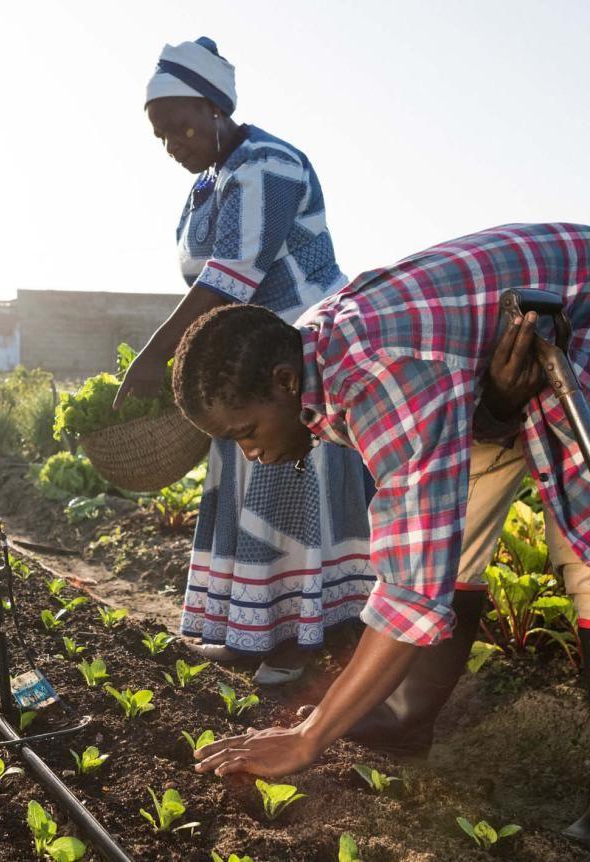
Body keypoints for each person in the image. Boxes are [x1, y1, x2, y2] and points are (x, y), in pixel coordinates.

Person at [170, 221, 590, 846]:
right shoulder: (305, 353)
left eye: (245, 433)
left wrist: (310, 737)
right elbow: (428, 538)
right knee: (459, 528)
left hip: (574, 332)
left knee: (583, 558)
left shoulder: (383, 377)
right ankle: (401, 720)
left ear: (285, 384)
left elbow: (410, 590)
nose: (251, 453)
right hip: (489, 376)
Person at [115, 36, 376, 685]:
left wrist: (153, 360)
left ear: (214, 108)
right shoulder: (210, 183)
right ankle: (251, 633)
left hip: (300, 353)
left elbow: (229, 277)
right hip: (242, 360)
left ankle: (300, 641)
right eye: (161, 135)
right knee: (250, 489)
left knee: (288, 487)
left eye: (181, 124)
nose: (175, 141)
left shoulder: (267, 164)